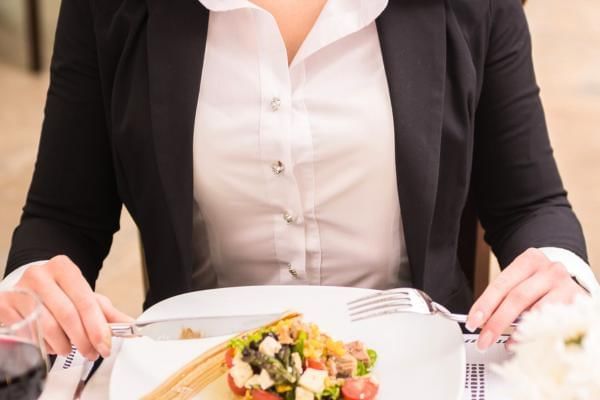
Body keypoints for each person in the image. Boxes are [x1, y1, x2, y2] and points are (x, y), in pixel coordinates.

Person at [1, 0, 598, 362]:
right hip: (197, 369)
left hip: (419, 367)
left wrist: (557, 271)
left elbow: (531, 204)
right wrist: (34, 285)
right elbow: (63, 215)